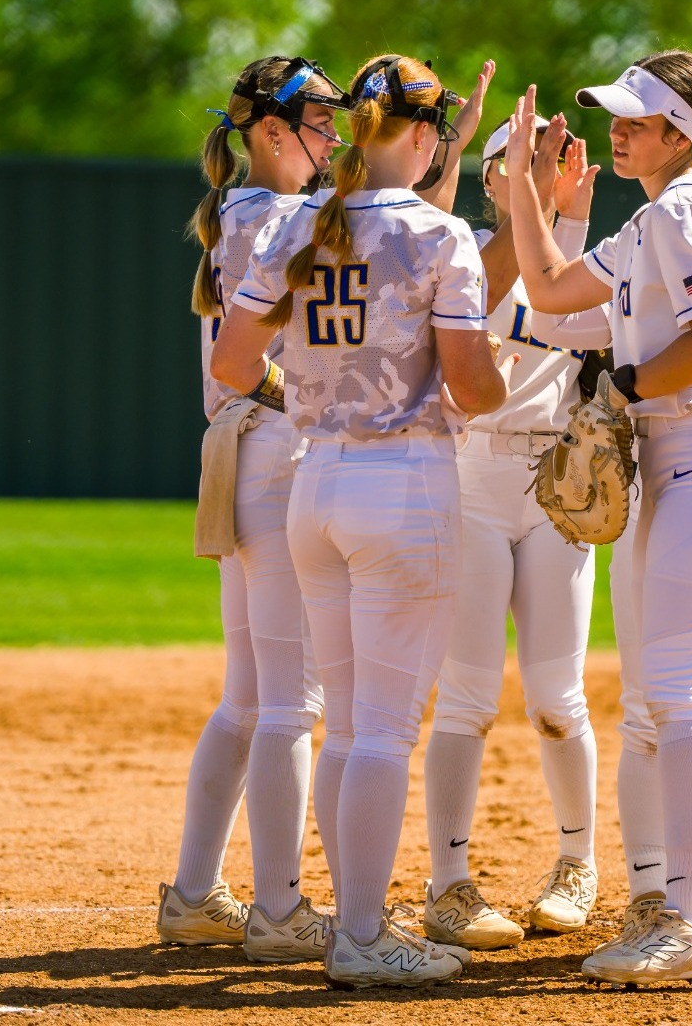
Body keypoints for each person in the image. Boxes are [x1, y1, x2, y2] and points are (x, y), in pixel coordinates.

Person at [212, 53, 509, 990]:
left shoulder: (297, 219)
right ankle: (365, 935)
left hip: (314, 485)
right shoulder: (439, 234)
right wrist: (500, 373)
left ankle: (352, 921)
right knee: (380, 731)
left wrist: (312, 389)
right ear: (422, 136)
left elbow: (229, 364)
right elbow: (470, 384)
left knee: (343, 729)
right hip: (403, 484)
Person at [501, 50, 692, 985]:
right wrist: (528, 192)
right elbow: (544, 292)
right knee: (666, 696)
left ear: (680, 133)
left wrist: (621, 389)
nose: (615, 130)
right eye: (614, 117)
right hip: (674, 458)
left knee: (680, 692)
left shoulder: (690, 206)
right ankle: (687, 906)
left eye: (633, 118)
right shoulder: (653, 219)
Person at [159, 55, 347, 964]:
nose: (335, 135)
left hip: (239, 448)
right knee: (290, 704)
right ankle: (277, 907)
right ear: (272, 130)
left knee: (248, 699)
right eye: (319, 120)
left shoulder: (240, 210)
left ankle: (196, 892)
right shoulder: (277, 213)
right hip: (272, 447)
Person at [420, 115, 606, 952]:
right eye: (514, 166)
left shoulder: (569, 257)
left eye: (538, 164)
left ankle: (577, 863)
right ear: (490, 179)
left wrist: (567, 213)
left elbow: (562, 277)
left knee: (556, 701)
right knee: (465, 699)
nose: (527, 174)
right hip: (470, 479)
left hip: (554, 484)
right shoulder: (459, 255)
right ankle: (450, 883)